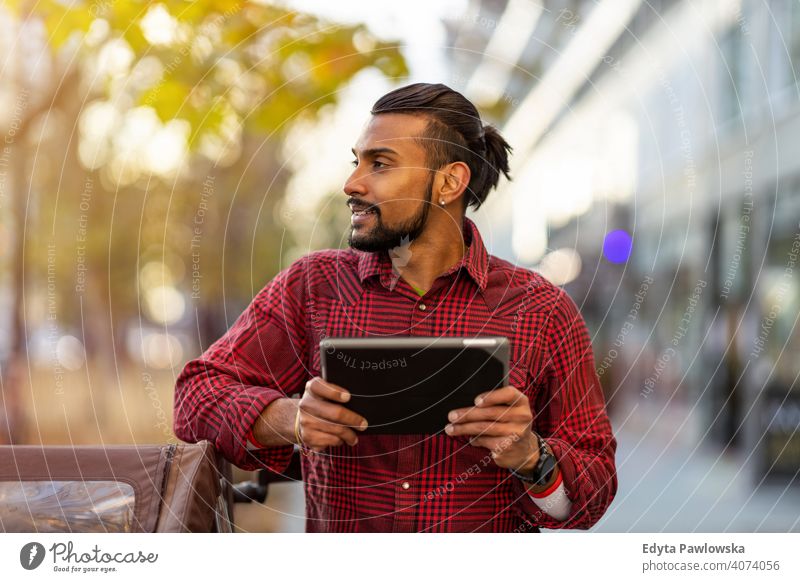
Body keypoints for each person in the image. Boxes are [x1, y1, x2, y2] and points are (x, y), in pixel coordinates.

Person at [174, 83, 617, 533]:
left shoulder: (542, 310)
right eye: (357, 161)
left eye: (379, 164)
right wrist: (288, 418)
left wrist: (532, 457)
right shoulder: (313, 287)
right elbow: (194, 398)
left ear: (449, 182)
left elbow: (595, 491)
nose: (352, 183)